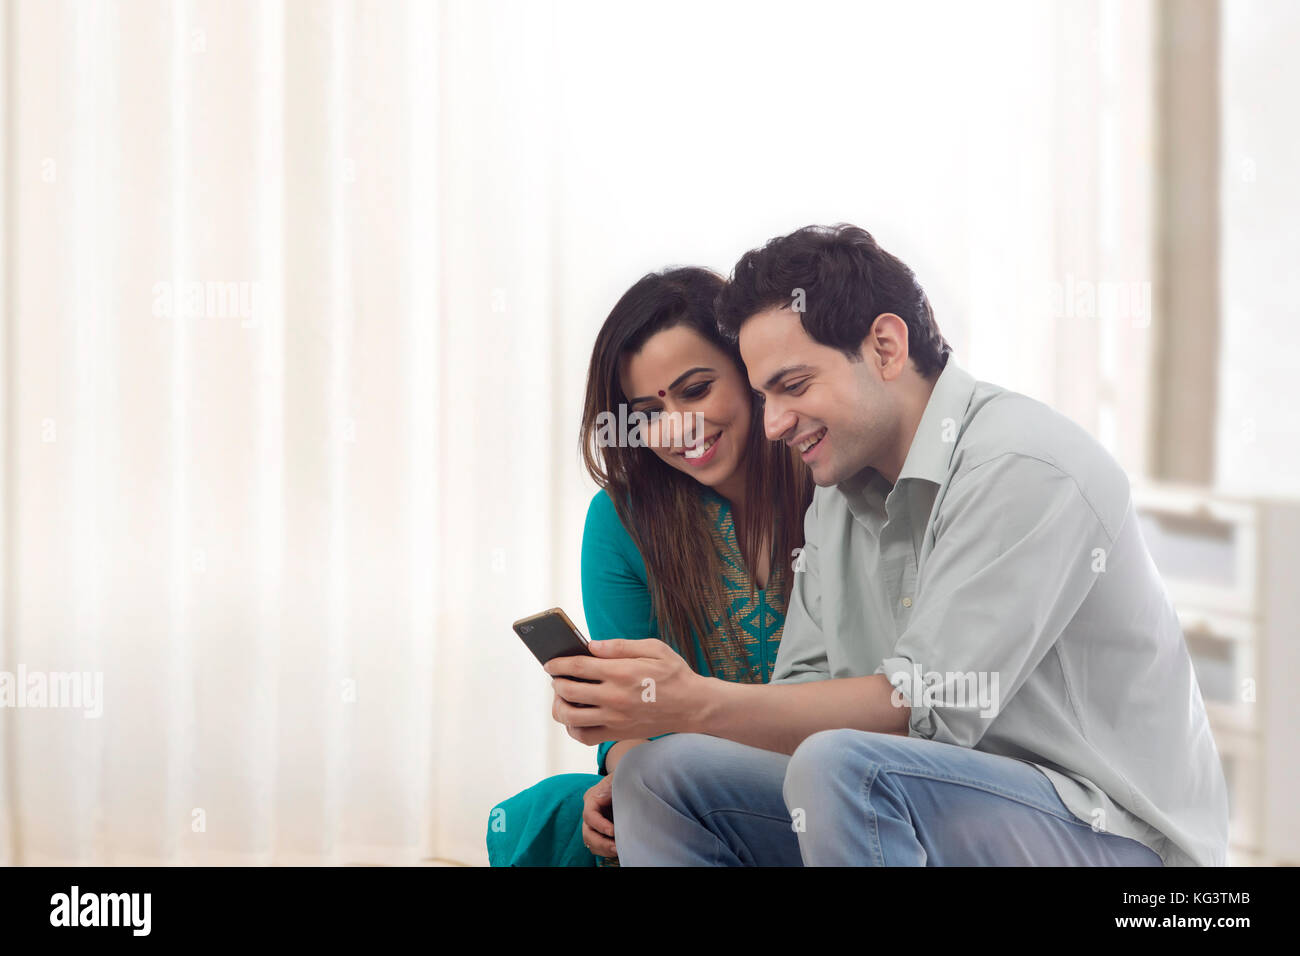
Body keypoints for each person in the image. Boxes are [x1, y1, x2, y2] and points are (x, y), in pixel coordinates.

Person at [546, 224, 1230, 867]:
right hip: (939, 800)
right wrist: (643, 727)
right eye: (764, 395)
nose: (775, 423)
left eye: (793, 385)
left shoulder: (1023, 464)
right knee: (663, 774)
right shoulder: (839, 492)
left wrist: (692, 701)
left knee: (844, 766)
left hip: (1109, 835)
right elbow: (803, 695)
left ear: (886, 346)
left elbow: (927, 713)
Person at [486, 266, 813, 866]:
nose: (677, 427)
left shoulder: (835, 486)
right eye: (645, 411)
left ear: (750, 373)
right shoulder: (622, 520)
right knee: (564, 811)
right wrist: (623, 777)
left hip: (830, 772)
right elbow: (628, 711)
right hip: (682, 781)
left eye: (695, 390)